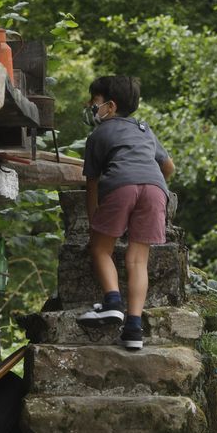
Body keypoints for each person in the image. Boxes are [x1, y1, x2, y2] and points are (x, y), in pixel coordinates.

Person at [77, 75, 176, 350]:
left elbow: (92, 183)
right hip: (156, 189)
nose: (89, 105)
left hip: (121, 186)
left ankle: (112, 302)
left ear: (109, 106)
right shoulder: (145, 129)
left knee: (99, 249)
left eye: (94, 101)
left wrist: (93, 219)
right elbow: (169, 167)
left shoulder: (98, 135)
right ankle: (133, 328)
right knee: (137, 261)